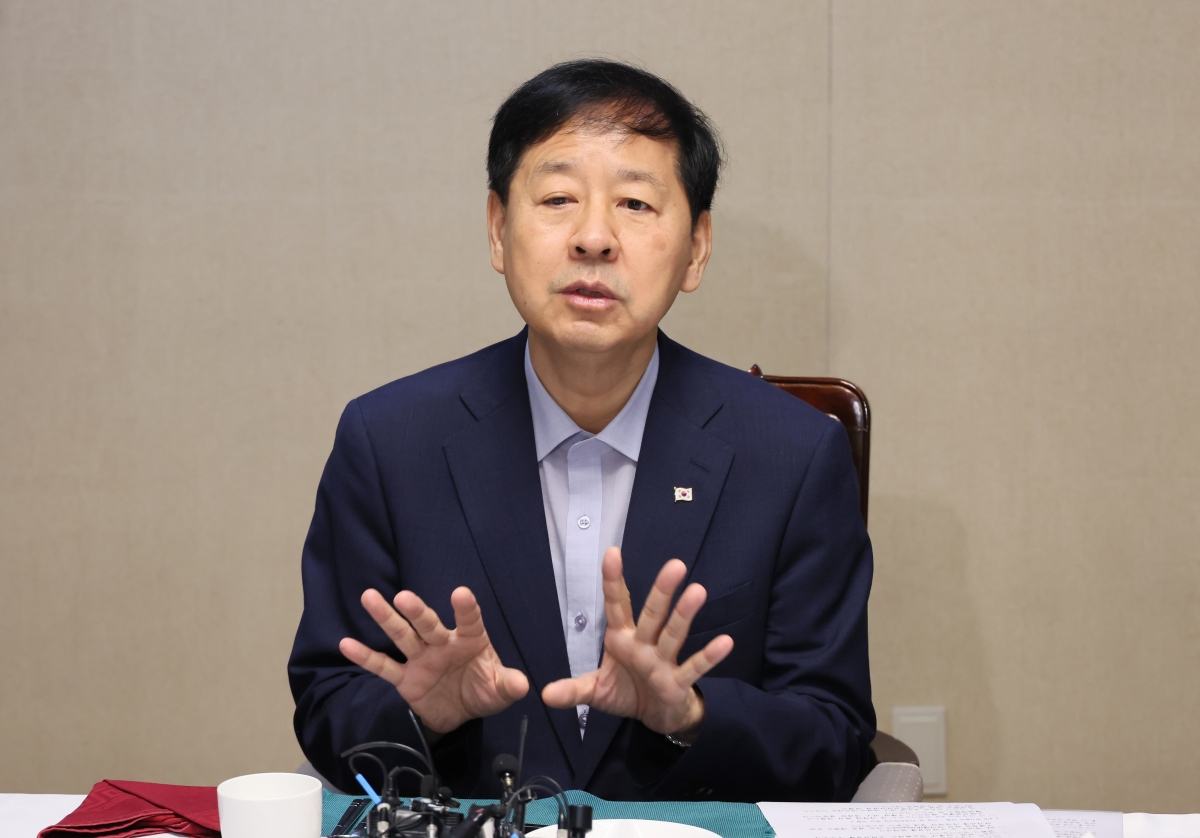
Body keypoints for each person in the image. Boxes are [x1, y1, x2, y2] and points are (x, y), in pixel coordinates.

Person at [288, 59, 875, 803]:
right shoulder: (389, 441)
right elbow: (328, 705)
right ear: (498, 230)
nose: (594, 237)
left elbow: (834, 739)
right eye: (559, 198)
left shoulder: (791, 454)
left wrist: (691, 715)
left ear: (696, 248)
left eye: (635, 203)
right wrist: (420, 716)